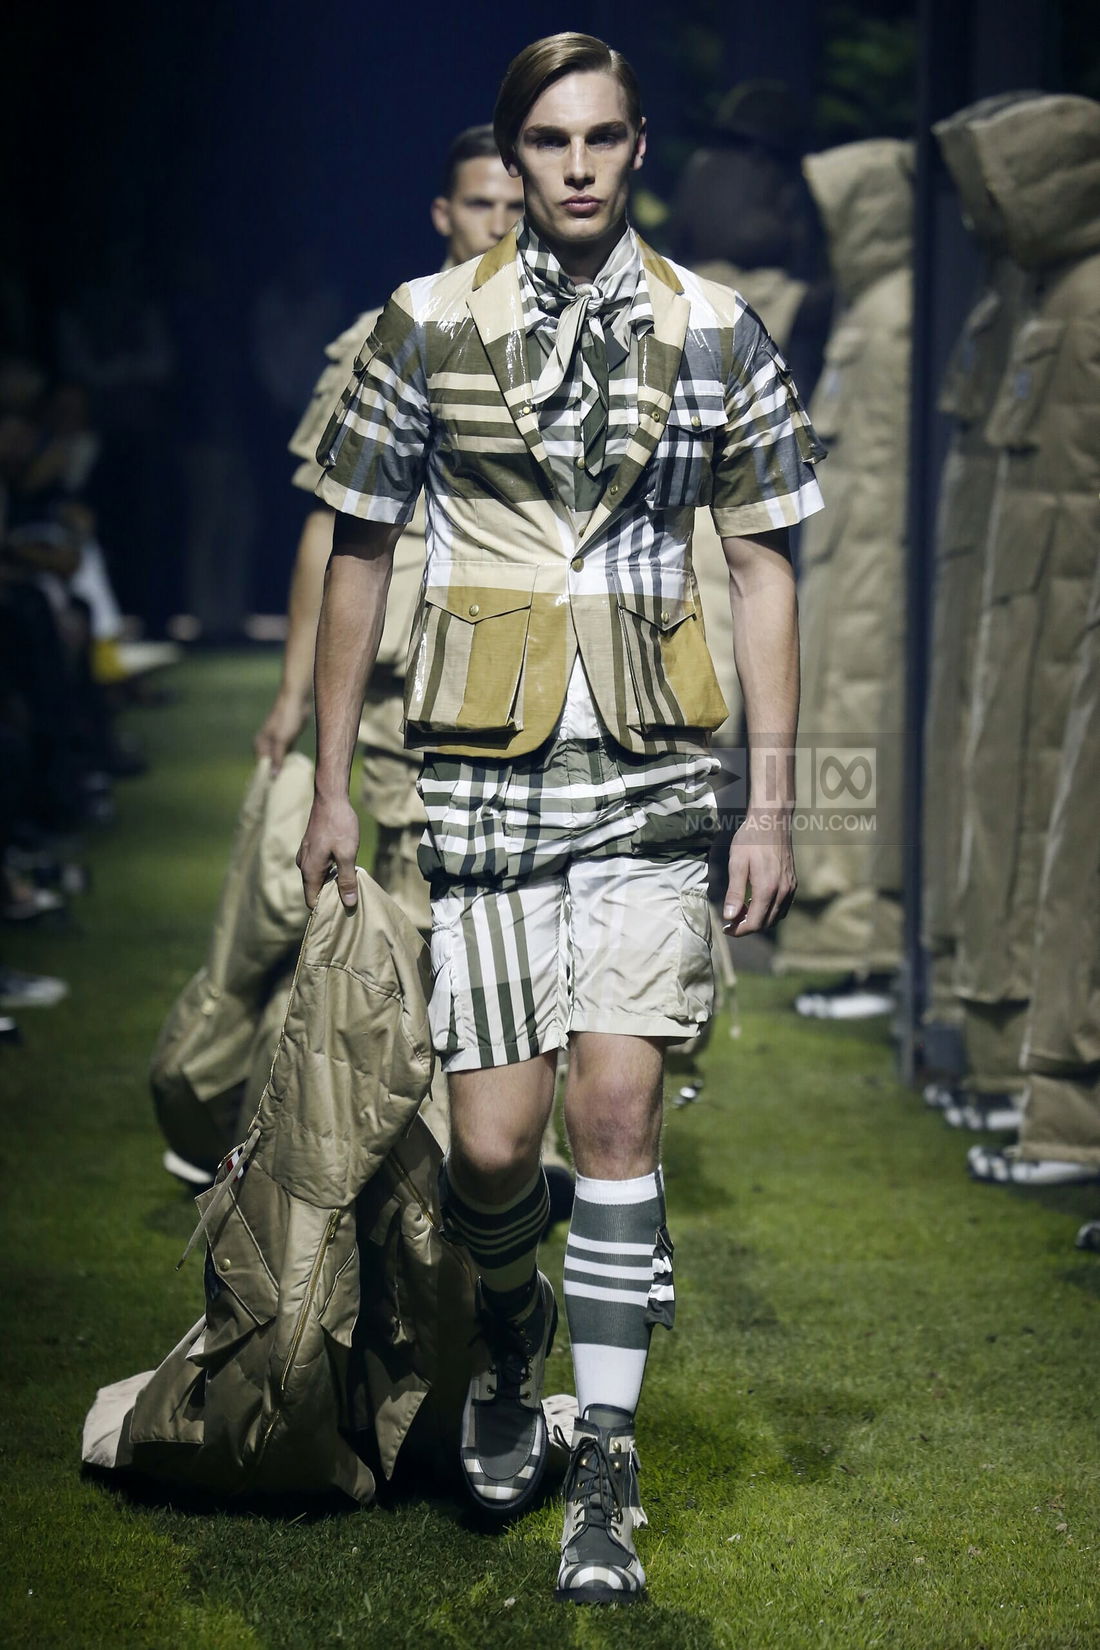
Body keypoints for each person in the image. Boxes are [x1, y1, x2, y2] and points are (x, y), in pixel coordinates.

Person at [298, 33, 823, 1604]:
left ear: (639, 146)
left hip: (652, 766)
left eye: (602, 137)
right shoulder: (424, 323)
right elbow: (359, 547)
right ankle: (513, 1339)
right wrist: (329, 780)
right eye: (549, 140)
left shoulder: (716, 329)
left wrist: (772, 800)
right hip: (480, 761)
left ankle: (606, 1460)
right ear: (514, 157)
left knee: (613, 1112)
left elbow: (765, 565)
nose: (578, 165)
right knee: (490, 1144)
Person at [255, 124, 524, 936]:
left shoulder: (576, 342)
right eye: (481, 204)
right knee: (418, 870)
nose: (499, 223)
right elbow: (330, 531)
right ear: (443, 212)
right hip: (411, 652)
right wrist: (294, 694)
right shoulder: (388, 340)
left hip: (534, 649)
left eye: (515, 206)